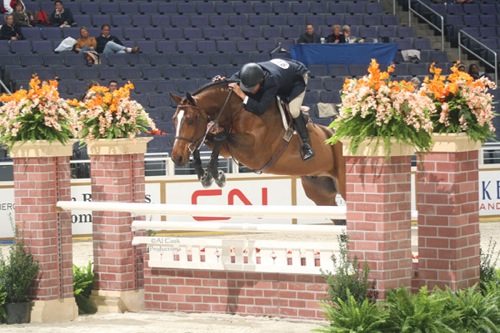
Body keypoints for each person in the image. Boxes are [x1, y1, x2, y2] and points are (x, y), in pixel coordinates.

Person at [228, 59, 315, 160]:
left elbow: (260, 108)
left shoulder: (272, 82)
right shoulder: (248, 72)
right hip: (283, 72)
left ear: (260, 81)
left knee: (293, 110)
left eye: (252, 87)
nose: (250, 90)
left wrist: (242, 95)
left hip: (297, 78)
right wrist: (223, 81)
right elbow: (232, 80)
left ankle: (306, 145)